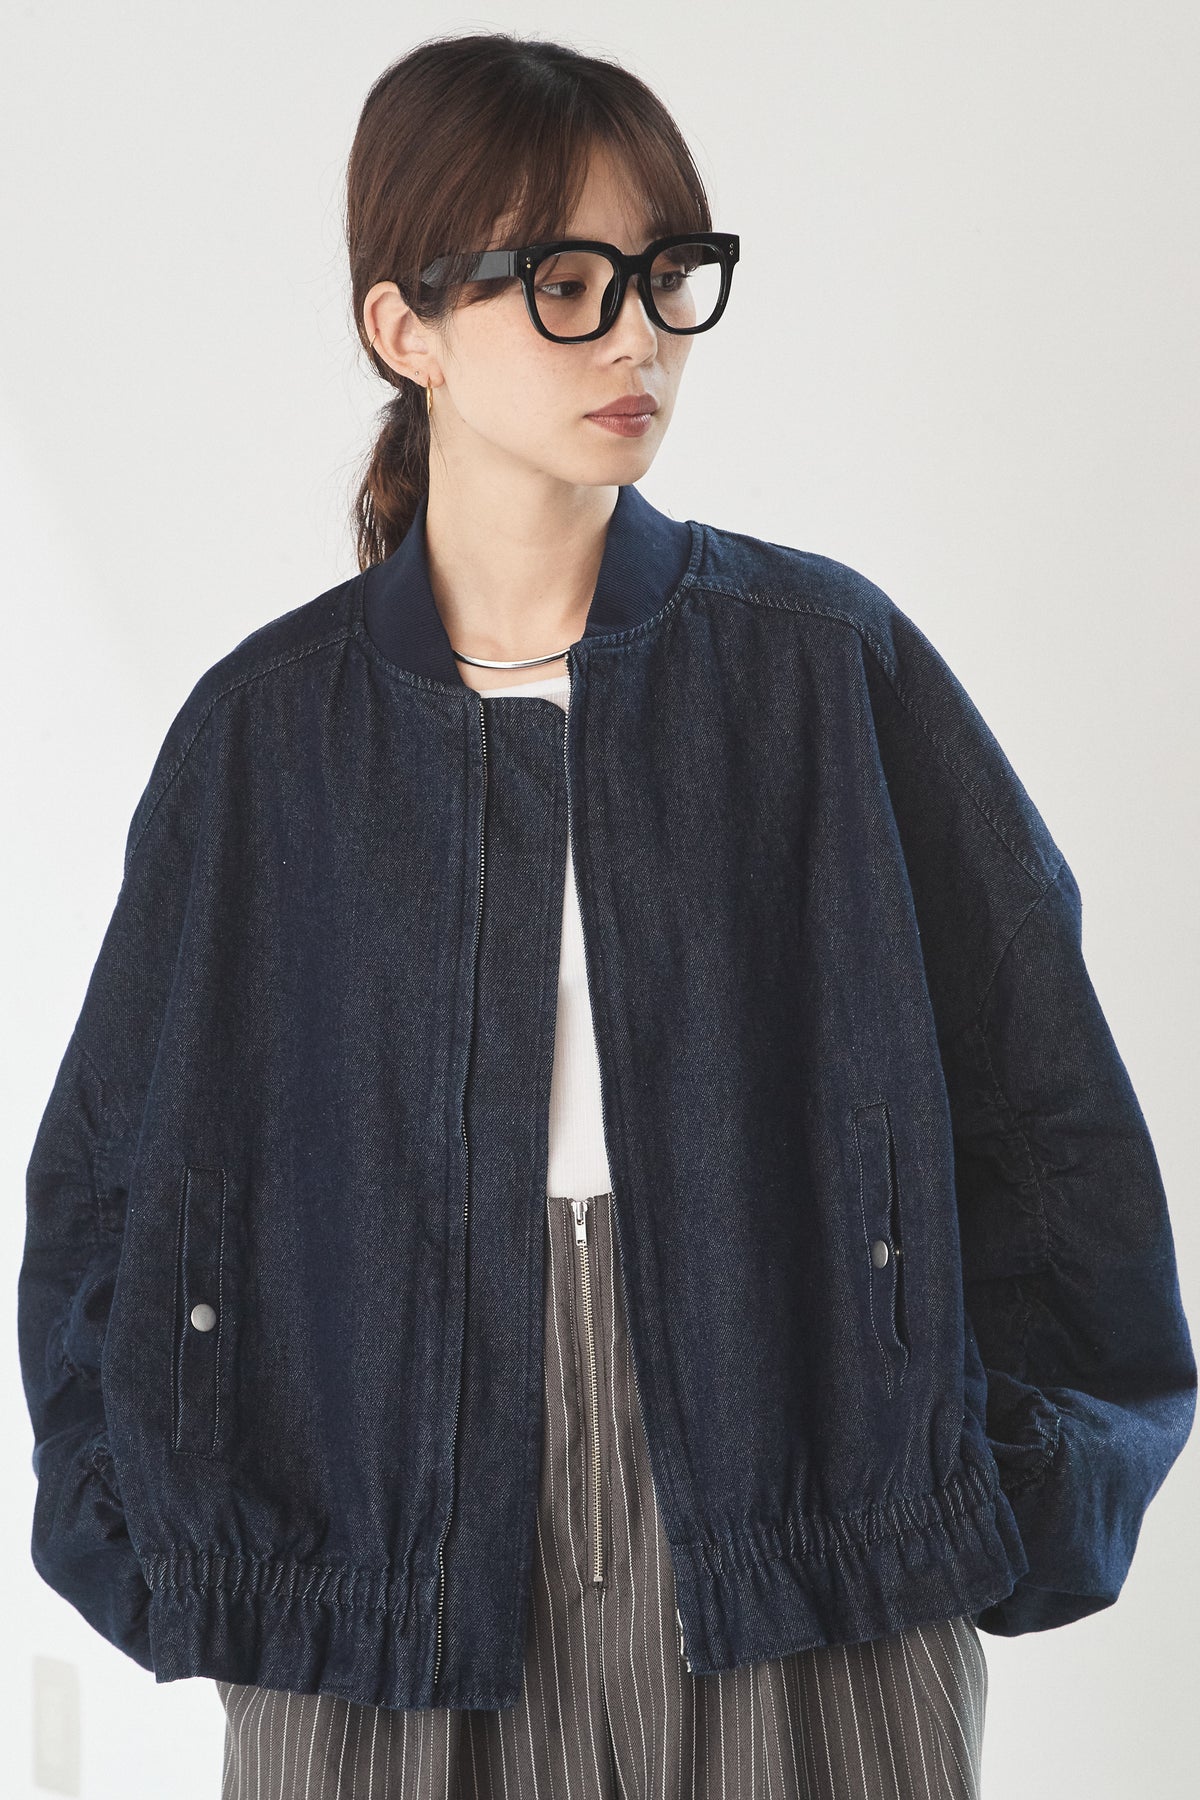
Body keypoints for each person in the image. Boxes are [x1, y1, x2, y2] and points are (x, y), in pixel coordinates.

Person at [18, 30, 1194, 1800]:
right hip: (376, 1557)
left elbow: (1049, 1108)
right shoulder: (265, 738)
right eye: (565, 284)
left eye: (666, 275)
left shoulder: (822, 666)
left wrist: (1000, 1494)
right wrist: (171, 1544)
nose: (637, 337)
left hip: (808, 1529)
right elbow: (114, 1186)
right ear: (403, 327)